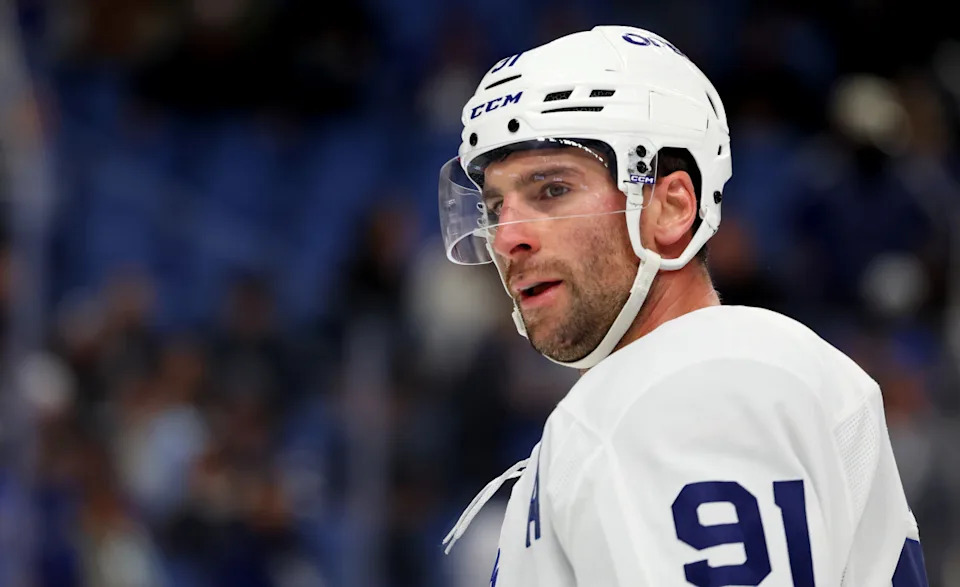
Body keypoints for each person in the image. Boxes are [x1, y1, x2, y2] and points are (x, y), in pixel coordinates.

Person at [437, 25, 930, 586]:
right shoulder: (720, 375)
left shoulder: (690, 386)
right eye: (497, 205)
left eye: (552, 190)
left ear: (671, 207)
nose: (507, 237)